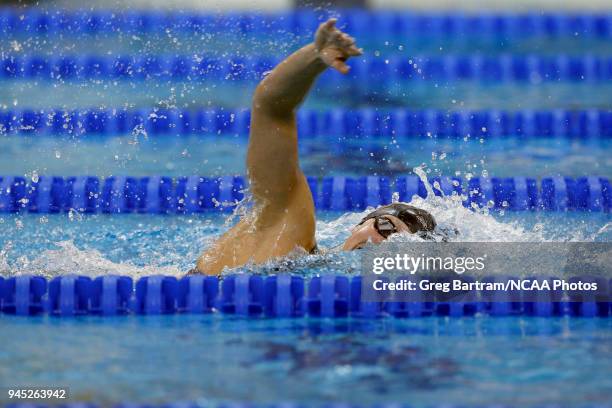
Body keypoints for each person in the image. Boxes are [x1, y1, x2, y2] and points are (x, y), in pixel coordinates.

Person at [192, 18, 437, 276]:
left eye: (399, 249)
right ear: (357, 226)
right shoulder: (288, 235)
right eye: (386, 228)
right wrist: (315, 56)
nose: (382, 244)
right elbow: (271, 107)